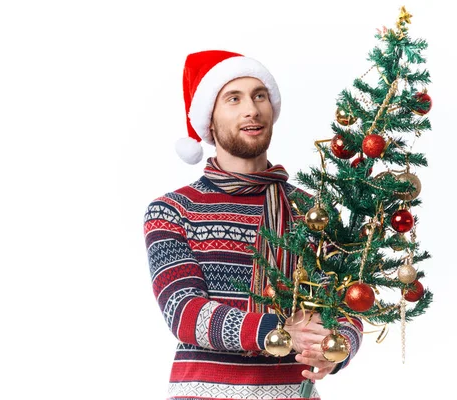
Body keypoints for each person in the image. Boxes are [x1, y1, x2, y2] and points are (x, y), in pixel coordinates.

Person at [143, 50, 363, 400]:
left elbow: (344, 304)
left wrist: (336, 350)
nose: (252, 109)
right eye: (234, 99)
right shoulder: (173, 210)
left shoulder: (311, 211)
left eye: (259, 96)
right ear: (209, 121)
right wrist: (279, 329)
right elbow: (184, 312)